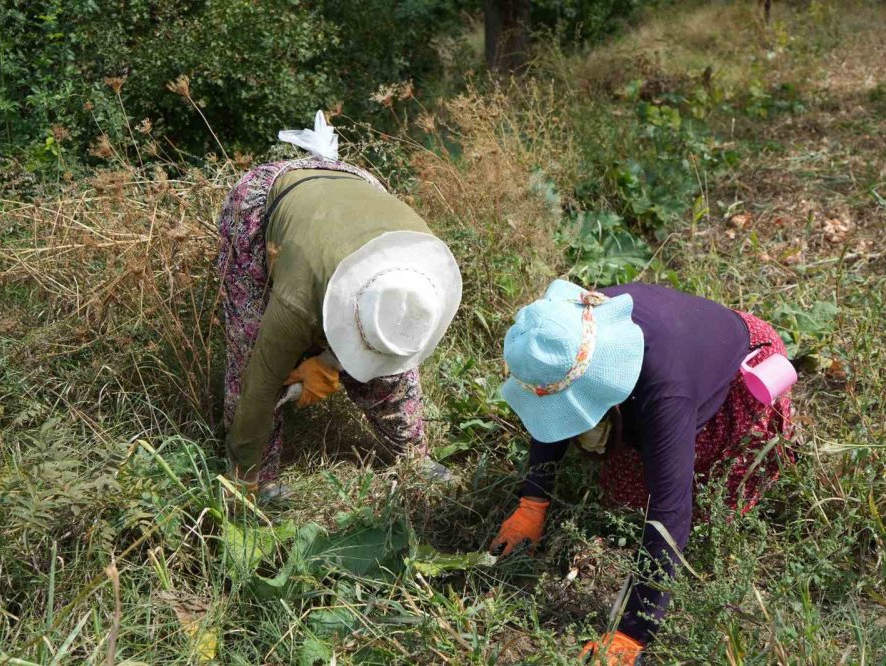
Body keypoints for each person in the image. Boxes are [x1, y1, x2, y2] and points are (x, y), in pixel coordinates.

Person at [490, 279, 795, 664]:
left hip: (744, 367)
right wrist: (532, 500)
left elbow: (669, 510)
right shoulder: (569, 329)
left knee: (655, 488)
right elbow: (554, 405)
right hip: (679, 347)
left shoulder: (667, 393)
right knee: (619, 471)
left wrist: (633, 630)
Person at [216, 112, 462, 501]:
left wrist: (330, 363)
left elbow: (387, 337)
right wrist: (243, 476)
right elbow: (259, 385)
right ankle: (257, 477)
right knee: (253, 349)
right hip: (268, 202)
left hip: (355, 186)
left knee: (392, 360)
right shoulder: (300, 302)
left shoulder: (422, 276)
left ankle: (413, 457)